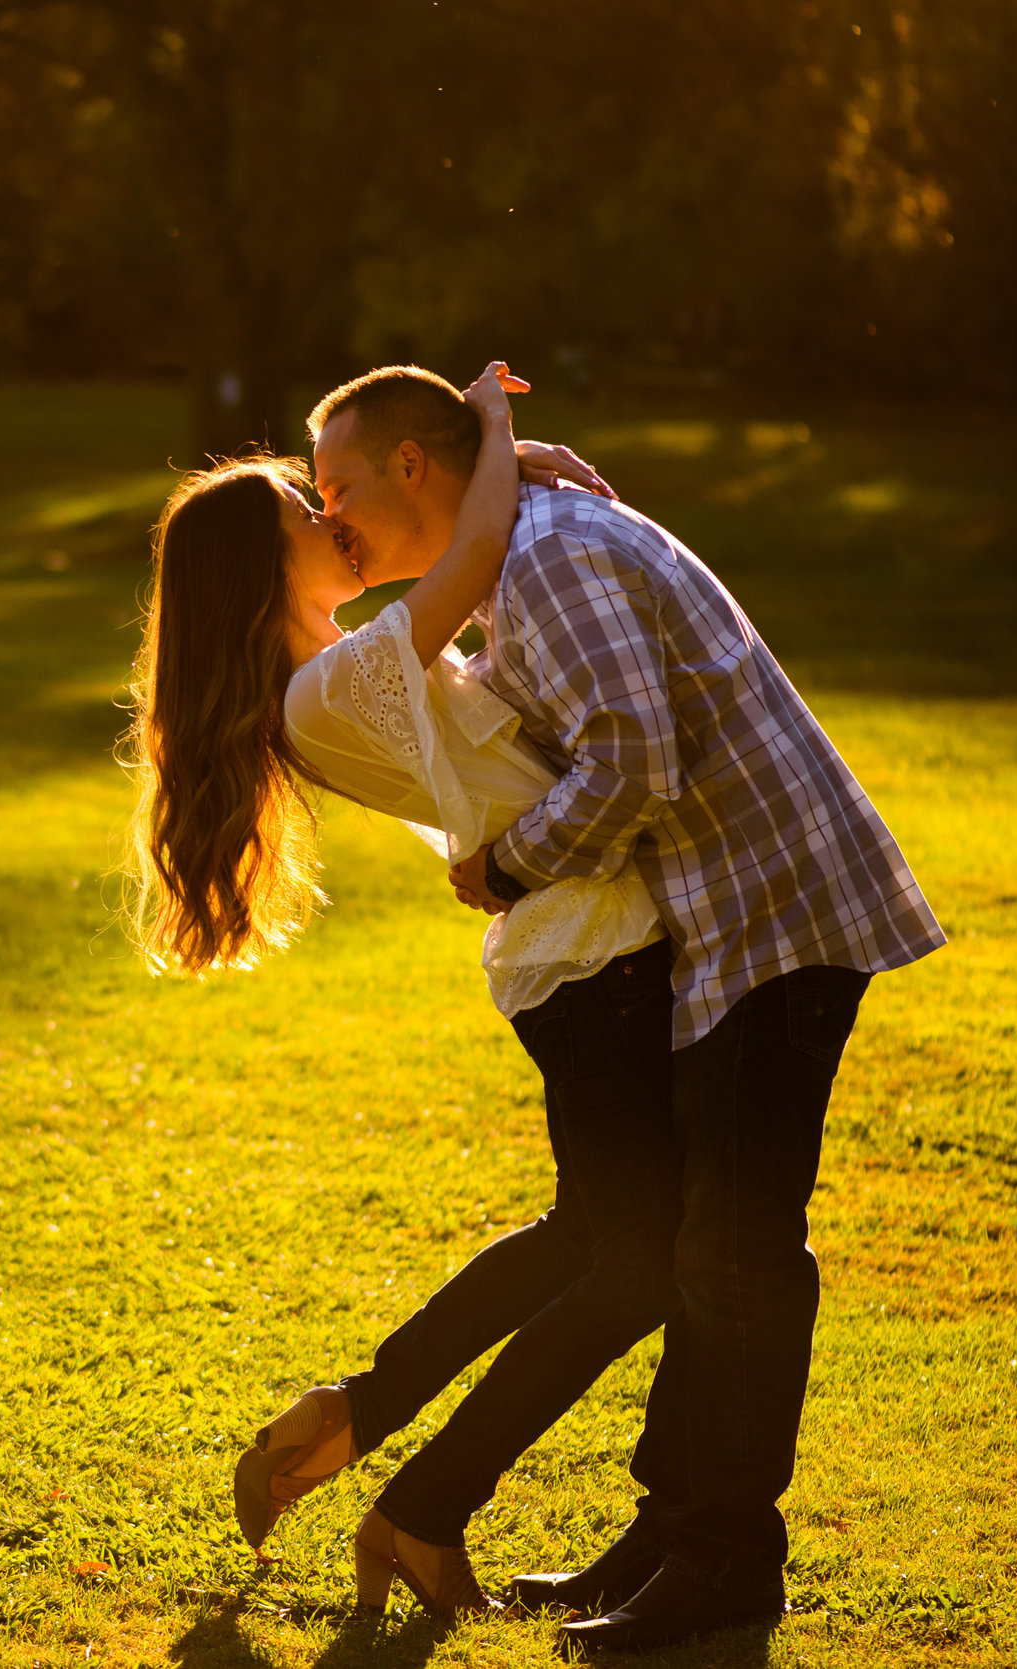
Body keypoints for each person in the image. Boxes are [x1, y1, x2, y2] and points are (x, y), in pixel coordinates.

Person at [304, 364, 947, 1650]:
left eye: (337, 487)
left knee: (735, 1251)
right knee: (713, 1240)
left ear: (413, 469)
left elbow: (633, 761)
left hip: (774, 912)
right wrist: (511, 446)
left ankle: (725, 1567)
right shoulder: (516, 561)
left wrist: (506, 865)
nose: (329, 520)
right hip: (724, 923)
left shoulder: (547, 560)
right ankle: (671, 1535)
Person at [126, 364, 695, 1619]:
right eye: (307, 515)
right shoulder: (329, 685)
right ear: (259, 573)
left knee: (587, 1239)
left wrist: (505, 461)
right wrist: (491, 425)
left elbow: (483, 580)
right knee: (639, 1263)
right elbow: (474, 539)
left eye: (328, 499)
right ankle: (423, 1511)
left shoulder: (336, 667)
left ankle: (358, 1411)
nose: (335, 521)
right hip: (586, 952)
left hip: (577, 943)